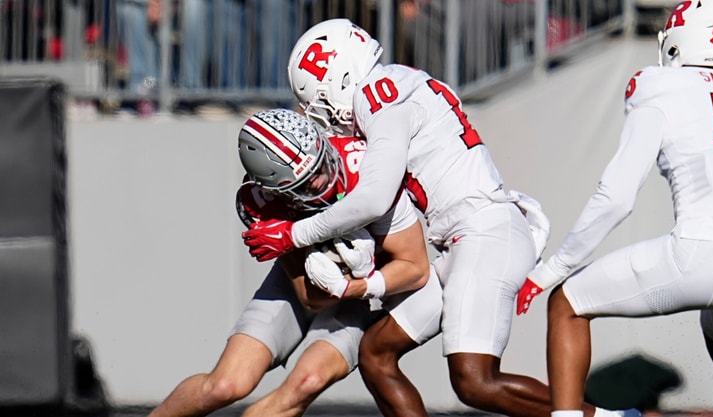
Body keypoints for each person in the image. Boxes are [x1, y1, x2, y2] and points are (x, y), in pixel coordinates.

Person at [240, 18, 638, 417]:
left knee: (475, 381)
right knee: (377, 353)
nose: (325, 116)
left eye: (322, 102)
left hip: (483, 230)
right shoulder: (398, 84)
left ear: (342, 79)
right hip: (463, 239)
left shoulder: (378, 95)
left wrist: (295, 235)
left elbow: (374, 198)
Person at [520, 1, 713, 417]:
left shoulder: (659, 86)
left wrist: (551, 269)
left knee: (567, 303)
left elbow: (616, 197)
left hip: (703, 250)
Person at [147, 108, 441, 417]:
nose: (322, 180)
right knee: (225, 386)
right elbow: (310, 298)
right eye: (306, 183)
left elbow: (415, 267)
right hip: (312, 289)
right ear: (278, 191)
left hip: (369, 292)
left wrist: (357, 283)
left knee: (307, 381)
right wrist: (337, 277)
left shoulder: (363, 165)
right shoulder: (262, 202)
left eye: (321, 165)